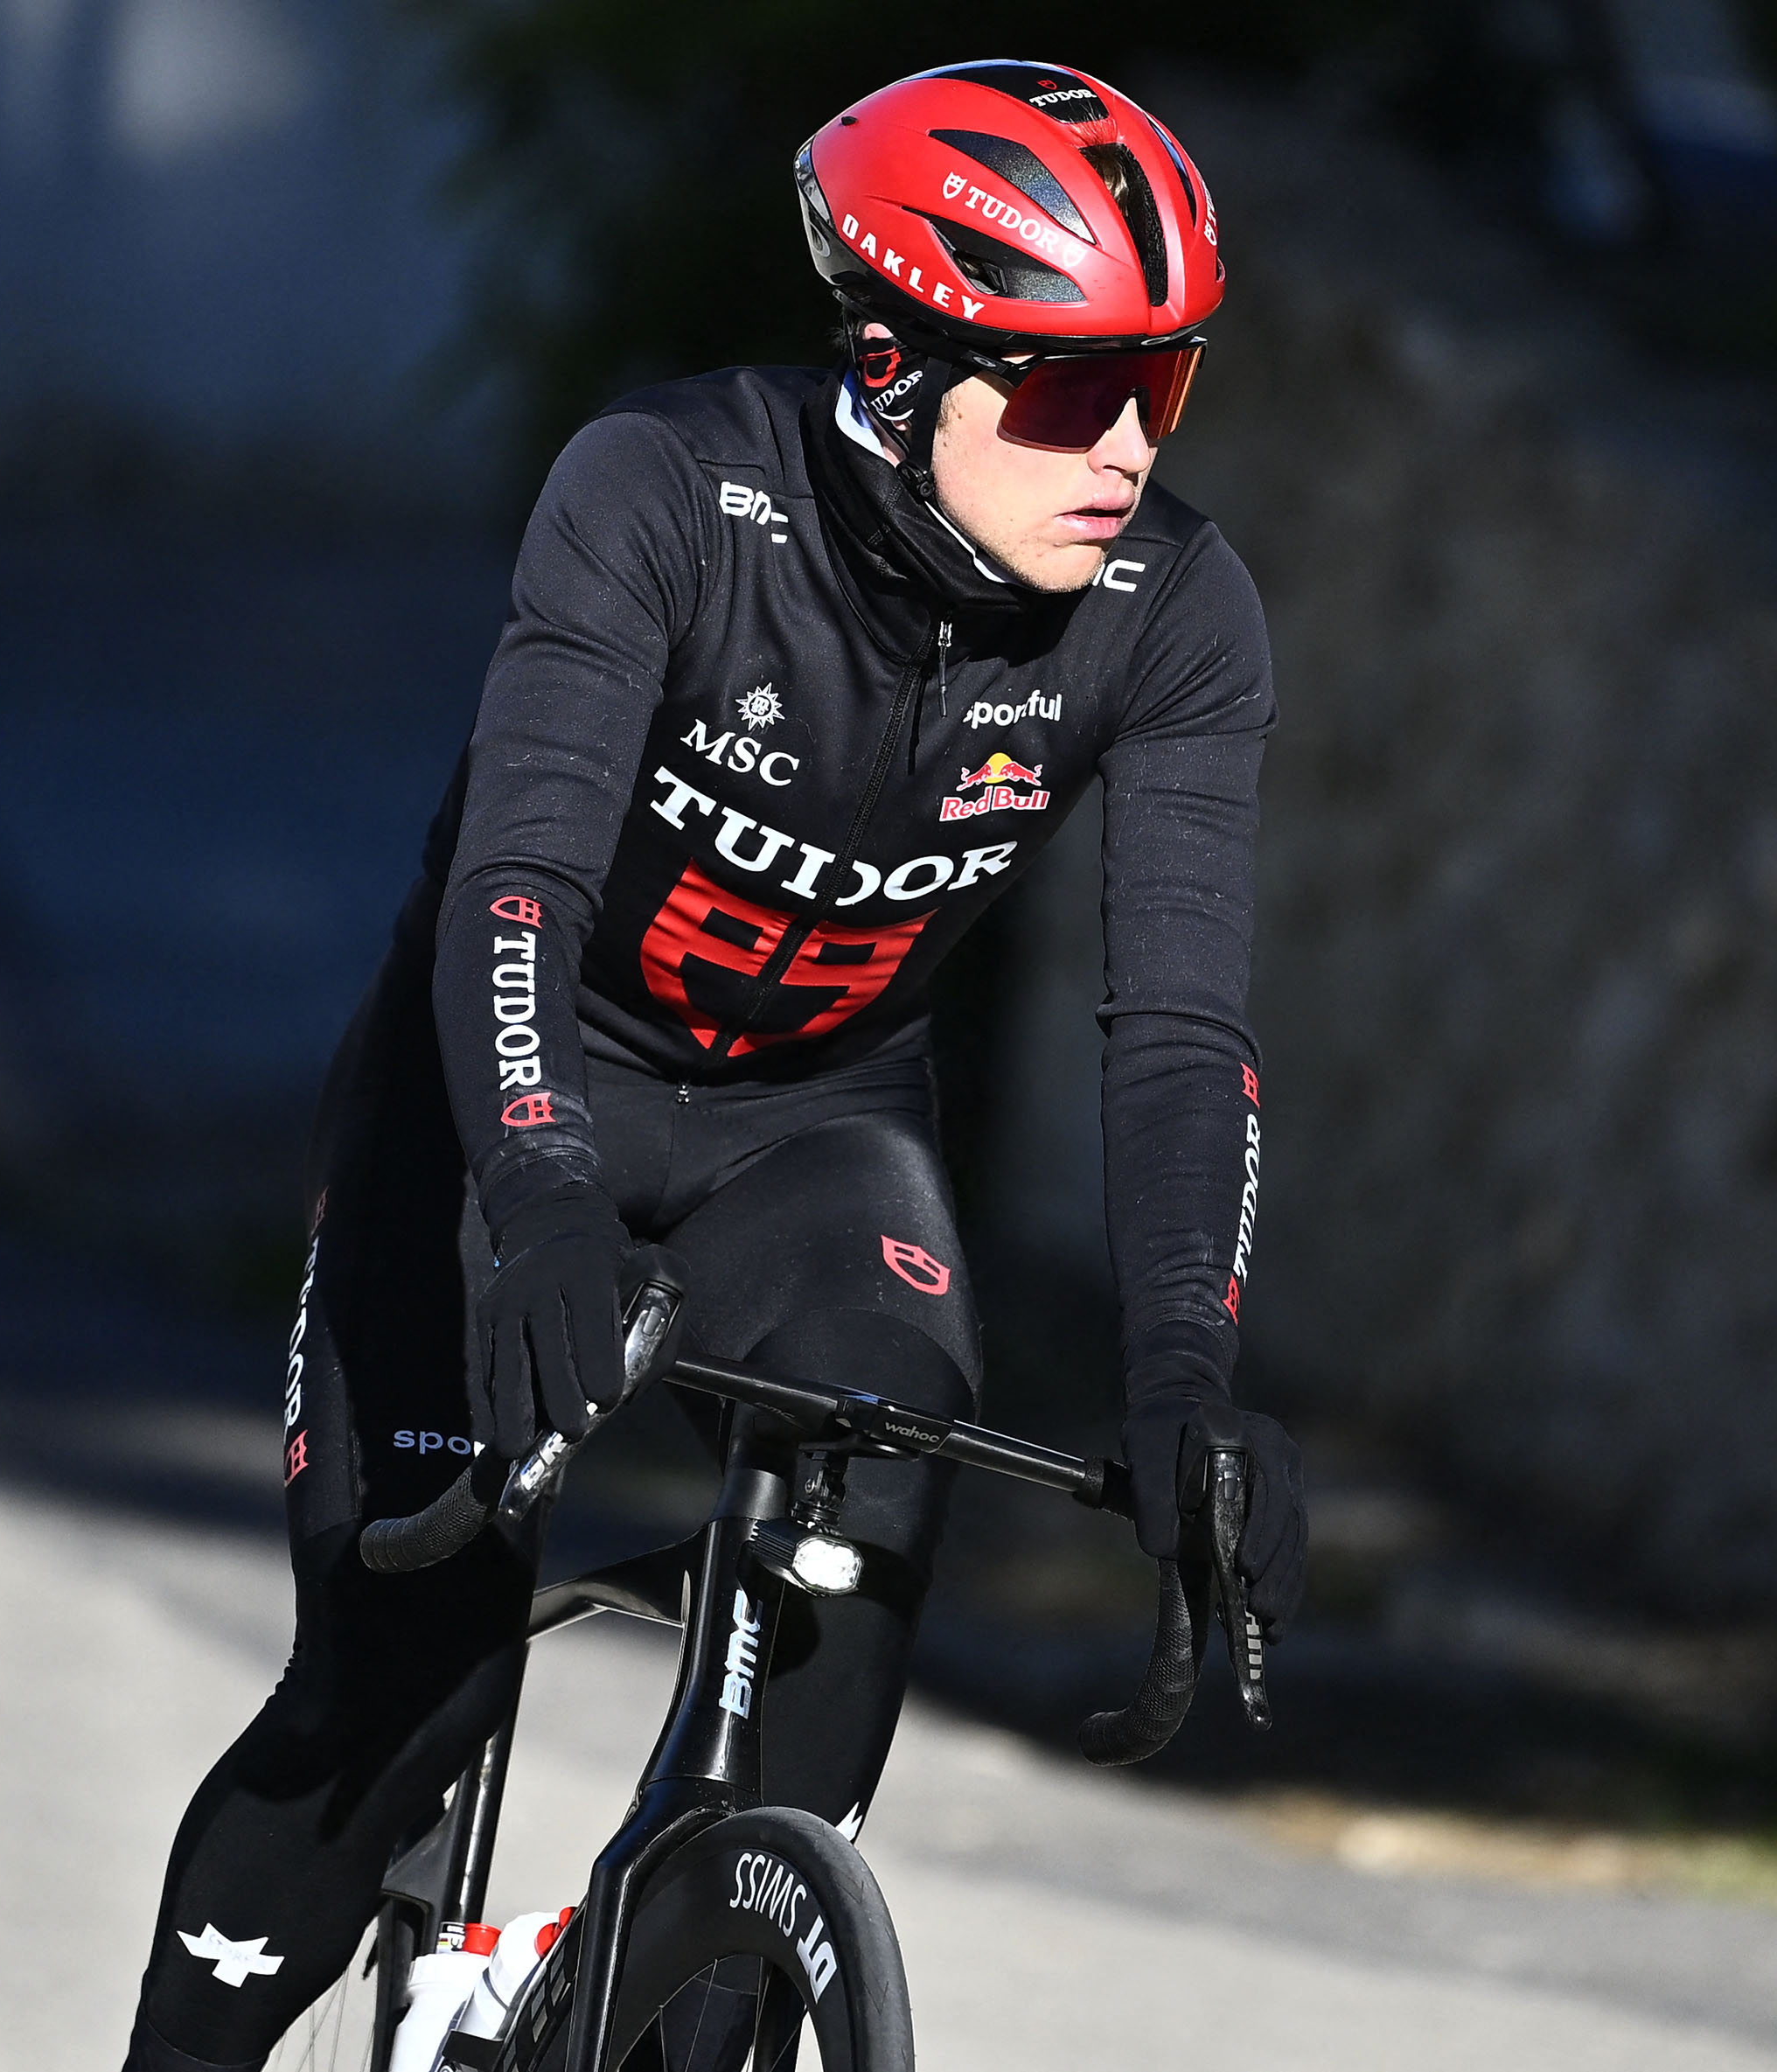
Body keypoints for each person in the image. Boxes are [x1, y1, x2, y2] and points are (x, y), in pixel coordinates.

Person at [121, 60, 1308, 2071]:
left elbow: (1178, 1026)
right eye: (1052, 389)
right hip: (512, 1084)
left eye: (1159, 384)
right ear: (885, 363)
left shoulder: (1175, 615)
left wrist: (1187, 1378)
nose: (1116, 448)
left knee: (848, 1598)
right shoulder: (662, 494)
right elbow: (511, 881)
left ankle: (655, 1974)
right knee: (393, 1688)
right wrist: (537, 1184)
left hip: (813, 1133)